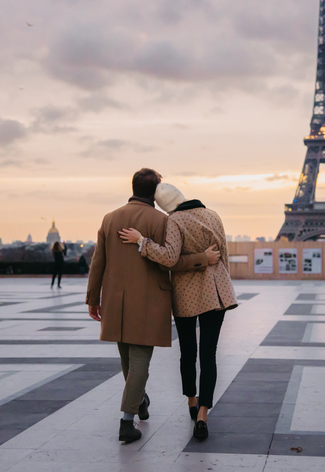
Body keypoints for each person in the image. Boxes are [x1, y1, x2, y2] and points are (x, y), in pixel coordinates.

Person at [86, 169, 220, 444]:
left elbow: (98, 261)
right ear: (157, 191)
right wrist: (202, 259)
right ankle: (127, 420)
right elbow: (170, 261)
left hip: (114, 300)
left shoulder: (110, 218)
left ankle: (138, 400)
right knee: (139, 362)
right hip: (148, 301)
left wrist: (93, 298)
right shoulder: (162, 220)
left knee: (127, 360)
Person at [119, 182, 238, 440]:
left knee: (188, 353)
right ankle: (203, 415)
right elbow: (224, 255)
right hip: (216, 291)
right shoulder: (213, 214)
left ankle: (192, 403)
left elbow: (170, 258)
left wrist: (142, 242)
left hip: (186, 295)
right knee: (209, 354)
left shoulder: (174, 220)